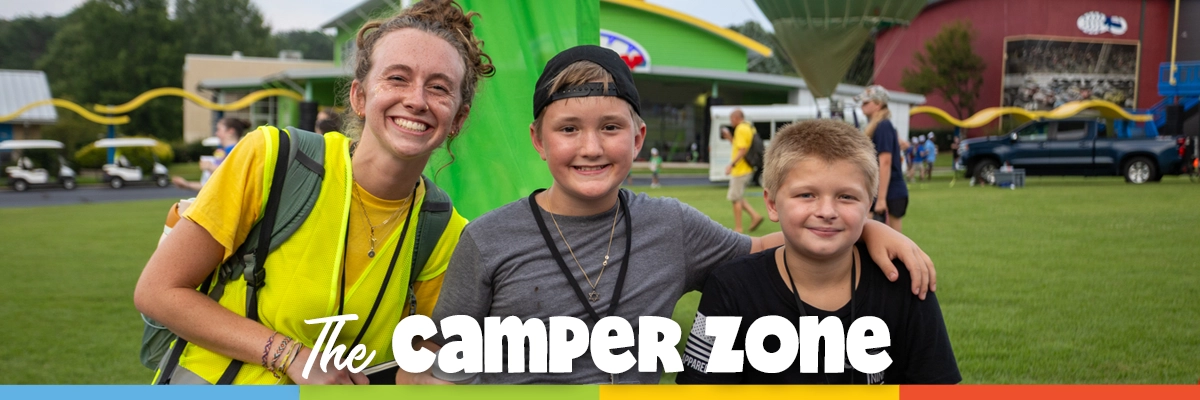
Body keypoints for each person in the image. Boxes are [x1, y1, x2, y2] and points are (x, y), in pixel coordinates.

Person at [403, 45, 936, 385]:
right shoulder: (490, 238)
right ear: (538, 141)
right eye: (568, 129)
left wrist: (863, 226)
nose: (590, 147)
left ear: (637, 138)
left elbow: (759, 250)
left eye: (610, 128)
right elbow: (438, 359)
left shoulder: (673, 227)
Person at [134, 0, 494, 384]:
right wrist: (292, 356)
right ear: (359, 96)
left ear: (458, 117)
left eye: (439, 88)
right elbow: (158, 291)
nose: (416, 100)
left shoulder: (444, 231)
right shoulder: (273, 157)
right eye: (397, 78)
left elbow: (417, 366)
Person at [676, 119, 960, 384]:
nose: (826, 212)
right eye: (806, 195)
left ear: (869, 204)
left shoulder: (905, 284)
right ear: (772, 204)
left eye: (846, 197)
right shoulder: (729, 287)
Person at [859, 85, 908, 232]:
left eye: (866, 102)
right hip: (885, 189)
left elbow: (885, 162)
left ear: (878, 104)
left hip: (889, 190)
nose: (862, 106)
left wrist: (881, 199)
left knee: (892, 240)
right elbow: (902, 145)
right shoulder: (882, 125)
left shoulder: (883, 125)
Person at [172, 117, 250, 191]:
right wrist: (187, 185)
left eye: (219, 130)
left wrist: (210, 167)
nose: (216, 133)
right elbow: (213, 187)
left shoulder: (236, 151)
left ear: (230, 131)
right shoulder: (226, 152)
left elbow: (232, 177)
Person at [723, 109, 763, 233]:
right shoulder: (749, 127)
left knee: (735, 198)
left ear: (736, 118)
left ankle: (738, 228)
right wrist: (730, 138)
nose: (731, 122)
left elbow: (742, 150)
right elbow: (739, 145)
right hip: (747, 168)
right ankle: (755, 216)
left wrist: (731, 164)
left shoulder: (740, 129)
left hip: (741, 169)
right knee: (737, 196)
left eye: (731, 119)